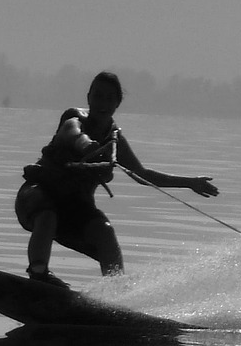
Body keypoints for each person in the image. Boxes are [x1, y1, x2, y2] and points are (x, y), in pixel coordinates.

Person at [15, 71, 219, 289]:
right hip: (36, 198)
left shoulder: (114, 140)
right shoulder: (74, 121)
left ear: (117, 103)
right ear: (88, 97)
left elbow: (143, 174)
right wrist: (87, 146)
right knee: (47, 215)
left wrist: (189, 182)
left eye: (109, 98)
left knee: (104, 231)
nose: (102, 103)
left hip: (72, 212)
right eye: (97, 96)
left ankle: (115, 292)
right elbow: (74, 135)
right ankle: (39, 273)